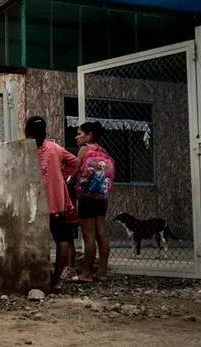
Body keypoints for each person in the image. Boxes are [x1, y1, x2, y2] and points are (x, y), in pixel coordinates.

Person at [24, 116, 79, 291]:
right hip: (56, 203)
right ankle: (57, 279)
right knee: (62, 240)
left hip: (34, 204)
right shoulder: (55, 148)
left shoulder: (25, 151)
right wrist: (60, 175)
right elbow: (76, 163)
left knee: (33, 240)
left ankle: (36, 276)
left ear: (27, 132)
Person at [70, 121, 114, 283]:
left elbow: (75, 172)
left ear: (89, 135)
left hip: (87, 196)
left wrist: (68, 182)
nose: (77, 137)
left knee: (88, 236)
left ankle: (86, 273)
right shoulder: (103, 151)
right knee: (101, 234)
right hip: (101, 198)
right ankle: (102, 272)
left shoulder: (84, 149)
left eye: (80, 133)